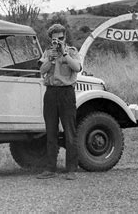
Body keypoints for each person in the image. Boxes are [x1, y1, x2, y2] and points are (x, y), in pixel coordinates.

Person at [37, 24, 82, 180]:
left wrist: (64, 54)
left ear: (65, 37)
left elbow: (77, 67)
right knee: (51, 131)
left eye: (61, 38)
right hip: (51, 92)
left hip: (66, 93)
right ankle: (50, 168)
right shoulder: (47, 52)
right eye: (55, 38)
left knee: (70, 132)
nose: (58, 41)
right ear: (51, 39)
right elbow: (42, 70)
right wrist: (51, 58)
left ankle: (71, 169)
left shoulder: (72, 52)